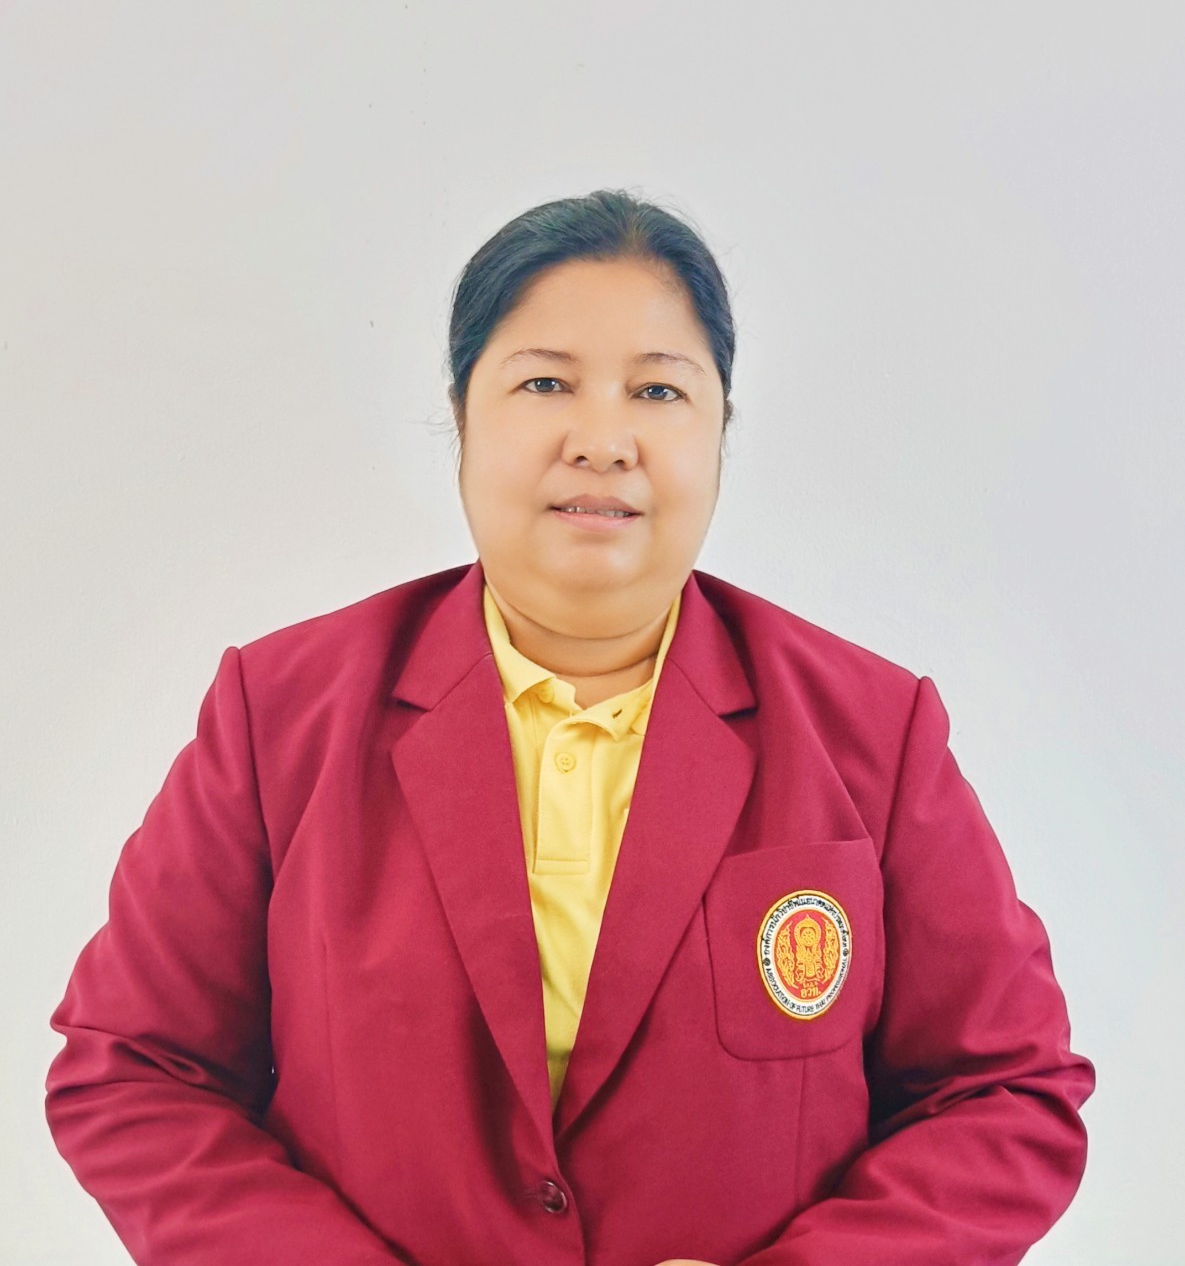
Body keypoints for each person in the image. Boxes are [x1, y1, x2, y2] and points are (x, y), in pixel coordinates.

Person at [45, 188, 1094, 1266]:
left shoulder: (870, 731)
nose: (602, 441)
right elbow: (134, 1066)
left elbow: (1007, 1089)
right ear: (463, 419)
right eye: (545, 382)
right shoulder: (283, 714)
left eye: (658, 389)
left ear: (720, 430)